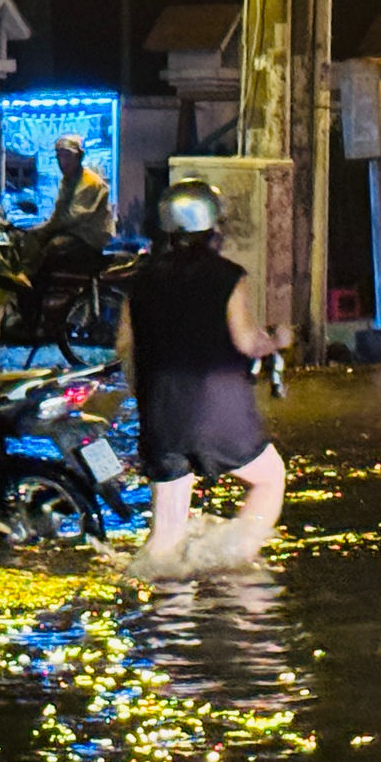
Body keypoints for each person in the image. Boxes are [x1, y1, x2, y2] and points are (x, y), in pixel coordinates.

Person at [117, 179, 289, 579]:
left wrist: (141, 395)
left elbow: (124, 346)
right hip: (219, 411)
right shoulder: (229, 276)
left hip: (161, 414)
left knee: (164, 541)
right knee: (269, 478)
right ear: (212, 228)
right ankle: (228, 562)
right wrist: (278, 339)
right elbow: (246, 341)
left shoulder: (138, 280)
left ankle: (167, 619)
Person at [15, 134, 115, 330]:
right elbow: (58, 215)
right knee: (27, 244)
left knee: (50, 251)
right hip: (73, 235)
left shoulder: (90, 183)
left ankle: (36, 315)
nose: (63, 161)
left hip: (88, 240)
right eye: (60, 156)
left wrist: (43, 230)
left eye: (67, 156)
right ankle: (30, 302)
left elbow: (68, 217)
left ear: (79, 157)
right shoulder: (67, 181)